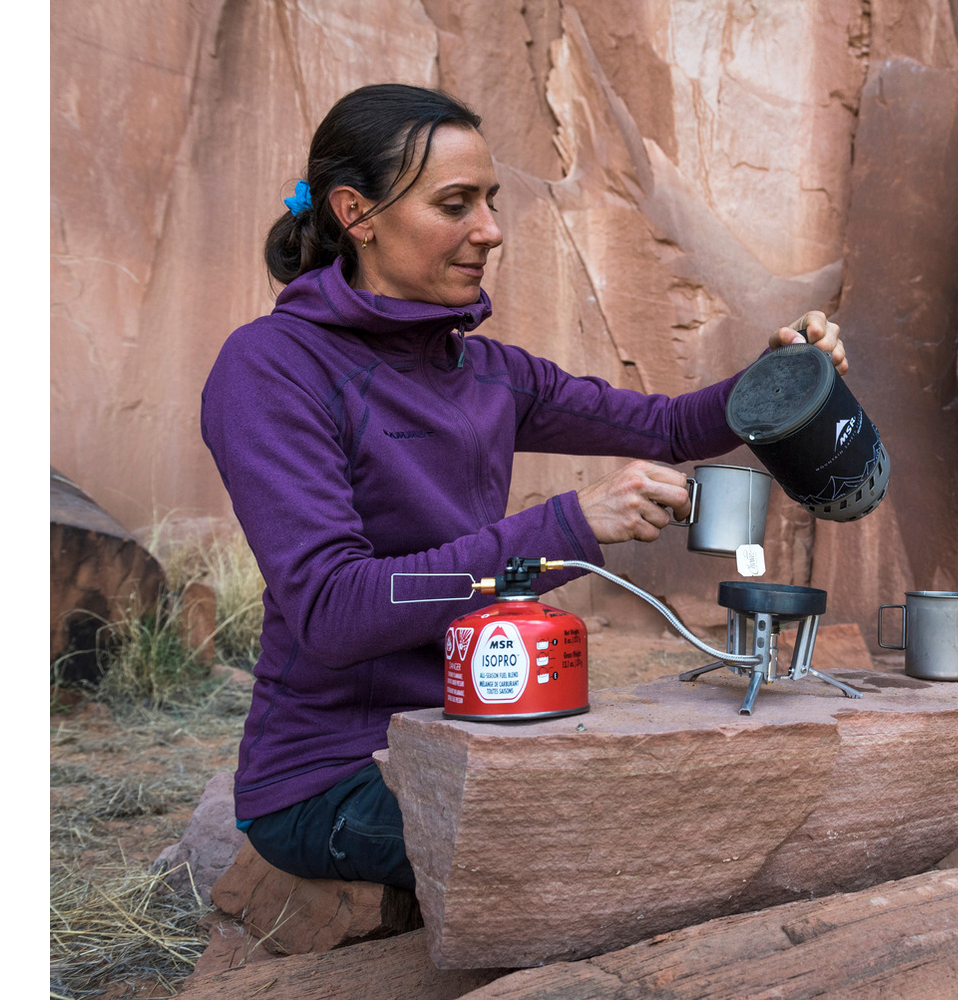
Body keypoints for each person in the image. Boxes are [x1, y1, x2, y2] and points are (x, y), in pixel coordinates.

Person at [200, 84, 849, 890]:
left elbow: (669, 428)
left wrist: (781, 376)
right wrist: (569, 525)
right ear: (356, 213)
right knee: (621, 852)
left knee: (694, 808)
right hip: (335, 772)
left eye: (491, 201)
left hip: (481, 727)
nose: (490, 230)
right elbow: (333, 610)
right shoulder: (272, 368)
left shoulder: (486, 371)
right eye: (455, 205)